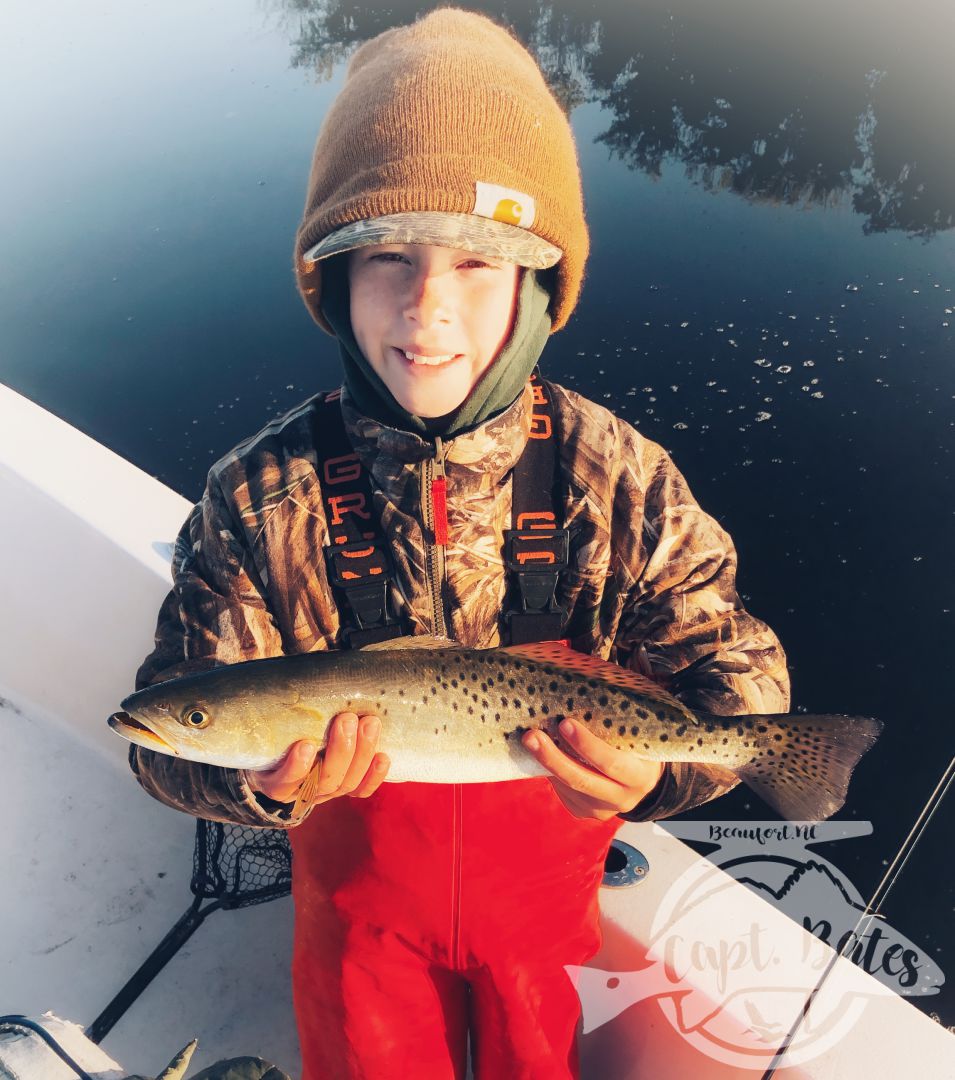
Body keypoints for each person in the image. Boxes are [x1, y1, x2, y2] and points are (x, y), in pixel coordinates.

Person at [128, 9, 789, 1079]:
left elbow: (735, 678)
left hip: (543, 910)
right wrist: (265, 791)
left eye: (477, 263)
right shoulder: (259, 494)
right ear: (331, 283)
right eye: (385, 256)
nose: (426, 306)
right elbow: (169, 728)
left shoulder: (616, 477)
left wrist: (649, 783)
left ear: (537, 290)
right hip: (356, 922)